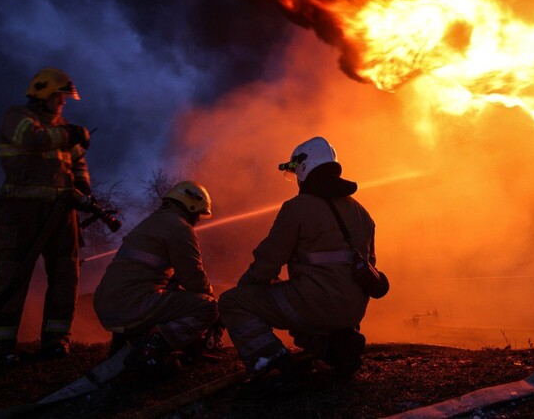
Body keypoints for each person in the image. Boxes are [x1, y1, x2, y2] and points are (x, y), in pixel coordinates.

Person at [219, 136, 375, 386]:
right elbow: (370, 263)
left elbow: (268, 262)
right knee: (297, 295)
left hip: (314, 306)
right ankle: (339, 346)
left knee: (232, 302)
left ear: (304, 167)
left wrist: (246, 287)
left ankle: (271, 364)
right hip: (352, 311)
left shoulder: (297, 208)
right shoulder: (361, 212)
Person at [0, 67, 93, 364]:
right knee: (11, 277)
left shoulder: (63, 127)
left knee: (66, 277)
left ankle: (56, 342)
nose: (63, 103)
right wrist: (69, 133)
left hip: (61, 212)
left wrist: (82, 183)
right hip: (20, 209)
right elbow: (32, 139)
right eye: (59, 96)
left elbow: (78, 161)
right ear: (43, 93)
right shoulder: (17, 117)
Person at [93, 181, 219, 376]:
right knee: (207, 307)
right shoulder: (180, 228)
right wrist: (214, 302)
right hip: (130, 307)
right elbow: (193, 278)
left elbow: (150, 273)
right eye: (199, 214)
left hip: (107, 306)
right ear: (191, 205)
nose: (198, 220)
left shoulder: (150, 222)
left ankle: (123, 345)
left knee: (168, 291)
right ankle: (148, 351)